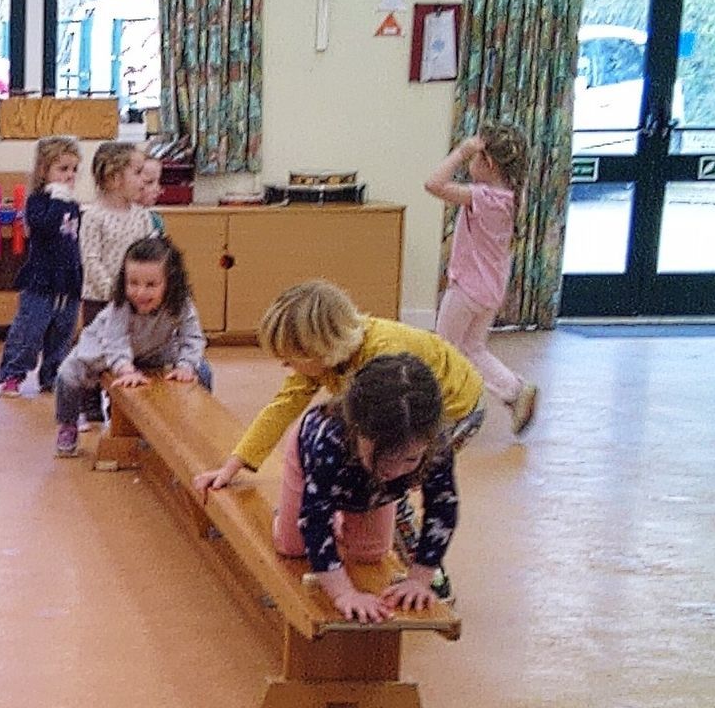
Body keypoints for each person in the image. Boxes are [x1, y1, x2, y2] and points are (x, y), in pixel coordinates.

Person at [191, 279, 483, 598]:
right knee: (376, 471)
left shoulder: (382, 360)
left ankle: (429, 572)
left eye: (290, 358)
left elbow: (438, 493)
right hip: (403, 417)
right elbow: (283, 406)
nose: (285, 365)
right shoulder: (325, 361)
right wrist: (233, 465)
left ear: (320, 349)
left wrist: (420, 575)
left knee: (397, 481)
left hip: (454, 407)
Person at [274, 353, 457, 624]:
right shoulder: (329, 440)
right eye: (383, 458)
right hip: (313, 472)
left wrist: (419, 579)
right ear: (356, 430)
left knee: (370, 554)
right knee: (292, 546)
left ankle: (340, 521)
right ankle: (286, 515)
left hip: (372, 493)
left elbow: (442, 510)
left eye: (410, 459)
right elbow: (315, 518)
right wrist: (343, 593)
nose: (394, 471)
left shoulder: (435, 444)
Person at [427, 122, 538, 433]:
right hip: (489, 291)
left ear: (488, 162)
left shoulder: (484, 197)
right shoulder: (509, 198)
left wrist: (461, 153)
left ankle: (447, 413)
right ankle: (514, 390)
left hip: (467, 290)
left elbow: (433, 184)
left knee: (444, 351)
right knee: (472, 348)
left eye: (476, 158)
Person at [53, 235, 208, 456]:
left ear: (171, 283)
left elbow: (192, 337)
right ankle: (68, 424)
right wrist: (125, 369)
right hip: (103, 348)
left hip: (154, 349)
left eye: (151, 285)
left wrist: (186, 366)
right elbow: (115, 340)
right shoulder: (122, 304)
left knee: (204, 371)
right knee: (67, 374)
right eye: (133, 283)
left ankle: (194, 423)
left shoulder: (181, 303)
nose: (140, 293)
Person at [73, 142, 157, 422]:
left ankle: (119, 409)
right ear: (113, 178)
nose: (143, 180)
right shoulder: (94, 216)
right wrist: (114, 293)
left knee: (126, 353)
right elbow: (91, 259)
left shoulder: (142, 216)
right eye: (137, 173)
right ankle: (89, 406)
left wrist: (145, 290)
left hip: (134, 300)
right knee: (95, 353)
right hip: (100, 300)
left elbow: (151, 254)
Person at [0, 135, 84, 397]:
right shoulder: (38, 202)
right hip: (41, 280)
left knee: (62, 333)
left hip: (67, 282)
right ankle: (13, 375)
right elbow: (43, 227)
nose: (70, 175)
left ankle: (53, 376)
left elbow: (73, 240)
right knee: (29, 331)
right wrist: (56, 201)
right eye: (63, 169)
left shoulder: (72, 204)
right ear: (44, 171)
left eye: (74, 169)